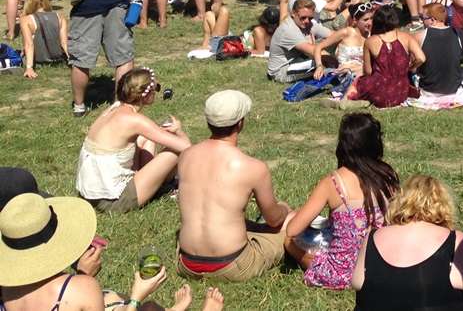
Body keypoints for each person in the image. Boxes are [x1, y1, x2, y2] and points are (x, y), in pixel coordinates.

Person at [0, 192, 191, 311]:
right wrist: (136, 296)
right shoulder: (81, 289)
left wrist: (81, 276)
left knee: (115, 299)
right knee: (144, 307)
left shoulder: (5, 287)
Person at [177, 90, 292, 282]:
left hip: (187, 263)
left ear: (208, 122)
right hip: (232, 265)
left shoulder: (185, 156)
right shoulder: (252, 167)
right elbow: (273, 219)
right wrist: (285, 209)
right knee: (293, 226)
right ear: (240, 123)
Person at [285, 113, 398, 290]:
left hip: (343, 271)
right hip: (380, 265)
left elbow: (292, 230)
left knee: (288, 239)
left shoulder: (333, 182)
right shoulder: (387, 176)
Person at [352, 174, 463, 311]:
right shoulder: (455, 240)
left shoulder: (372, 237)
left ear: (400, 201)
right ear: (444, 205)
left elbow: (357, 282)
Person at [75, 68, 190, 213]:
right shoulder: (135, 120)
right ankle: (166, 186)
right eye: (156, 89)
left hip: (90, 194)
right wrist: (178, 131)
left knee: (145, 138)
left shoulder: (113, 110)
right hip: (114, 200)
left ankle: (155, 184)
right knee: (174, 151)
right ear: (146, 95)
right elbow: (186, 146)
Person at [348, 4, 425, 108]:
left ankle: (346, 99)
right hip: (401, 92)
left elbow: (368, 71)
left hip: (379, 93)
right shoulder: (407, 37)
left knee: (358, 80)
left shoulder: (370, 41)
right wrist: (409, 68)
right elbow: (421, 58)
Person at [414, 3, 463, 95]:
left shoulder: (419, 36)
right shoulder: (457, 33)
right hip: (454, 91)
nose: (422, 22)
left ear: (432, 20)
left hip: (427, 91)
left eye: (423, 18)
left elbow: (413, 63)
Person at [266, 0, 331, 83]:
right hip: (281, 71)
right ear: (293, 13)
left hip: (297, 60)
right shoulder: (289, 29)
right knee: (322, 60)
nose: (307, 21)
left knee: (328, 48)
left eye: (310, 18)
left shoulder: (306, 23)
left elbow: (333, 35)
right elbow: (314, 51)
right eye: (303, 18)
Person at [19, 0, 67, 79]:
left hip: (39, 60)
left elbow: (29, 44)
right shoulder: (60, 16)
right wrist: (70, 59)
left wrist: (29, 68)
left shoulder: (26, 19)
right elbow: (64, 43)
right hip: (58, 59)